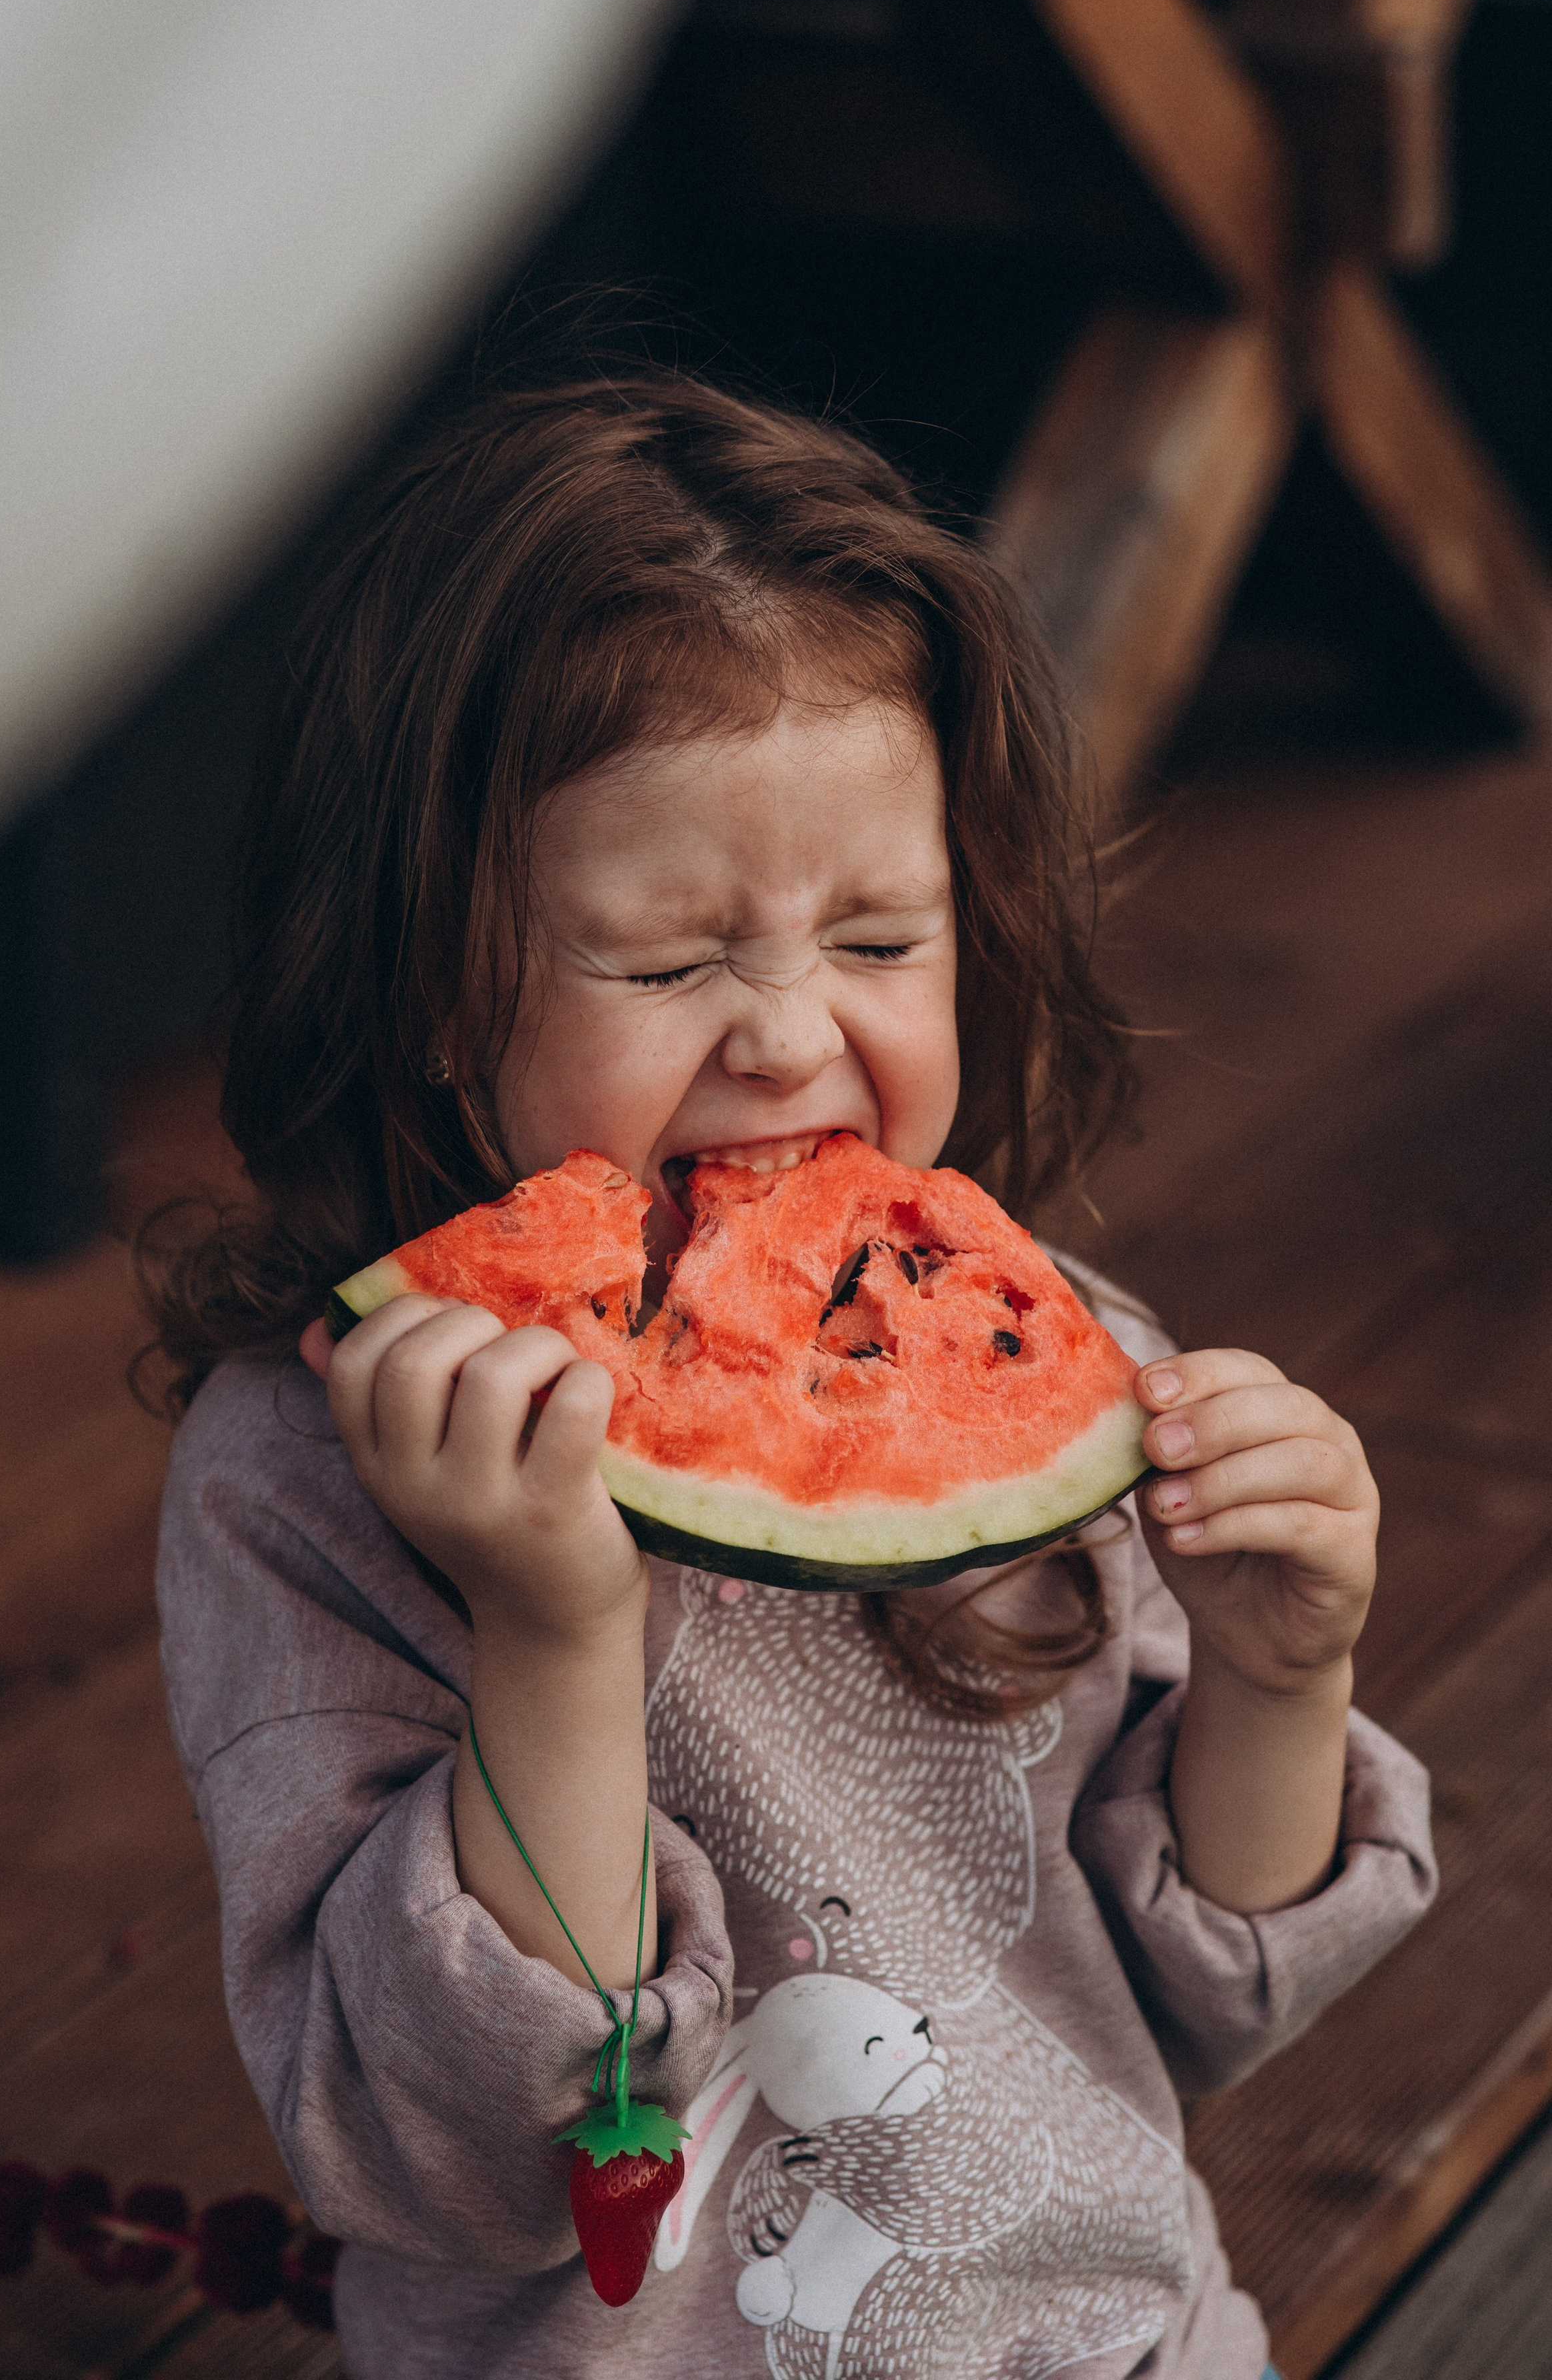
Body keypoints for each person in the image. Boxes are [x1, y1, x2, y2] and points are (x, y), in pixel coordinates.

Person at [149, 371, 1434, 2380]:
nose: (783, 1034)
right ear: (425, 985)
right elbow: (463, 2160)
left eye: (880, 938)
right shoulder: (304, 1482)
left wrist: (1281, 1676)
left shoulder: (1056, 1351)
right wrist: (551, 1634)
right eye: (668, 964)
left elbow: (1207, 2005)